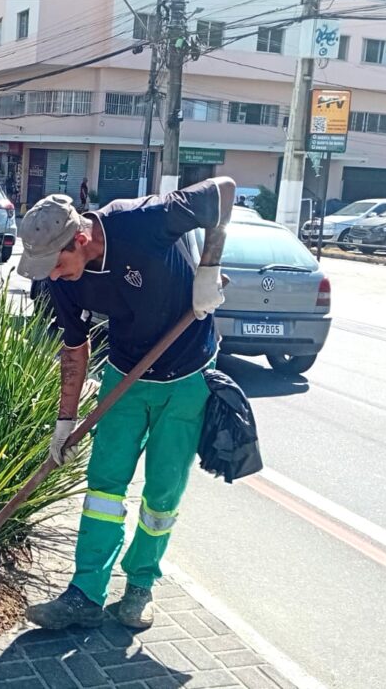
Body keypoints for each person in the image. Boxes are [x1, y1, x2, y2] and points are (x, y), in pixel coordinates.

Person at [15, 177, 235, 630]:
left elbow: (224, 191)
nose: (51, 275)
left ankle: (140, 586)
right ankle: (84, 594)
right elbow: (74, 349)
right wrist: (65, 422)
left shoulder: (142, 221)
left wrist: (208, 270)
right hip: (125, 376)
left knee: (162, 493)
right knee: (103, 487)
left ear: (80, 240)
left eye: (56, 263)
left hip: (187, 373)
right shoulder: (63, 281)